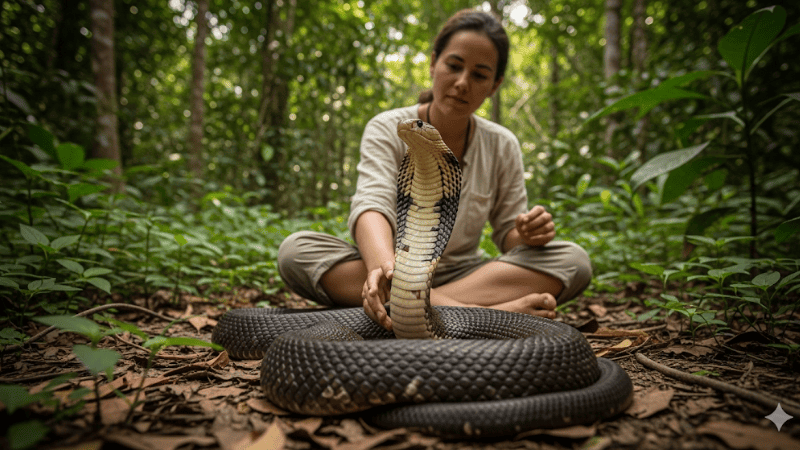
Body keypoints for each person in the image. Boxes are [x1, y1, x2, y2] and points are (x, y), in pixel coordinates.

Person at [278, 9, 591, 331]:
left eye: (479, 75)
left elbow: (508, 238)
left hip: (467, 275)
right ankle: (484, 315)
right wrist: (385, 270)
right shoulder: (388, 127)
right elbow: (372, 205)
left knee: (573, 261)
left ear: (495, 85)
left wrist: (526, 234)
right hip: (389, 266)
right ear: (433, 63)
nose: (462, 83)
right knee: (296, 251)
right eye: (454, 66)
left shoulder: (502, 144)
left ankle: (409, 308)